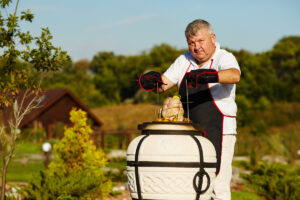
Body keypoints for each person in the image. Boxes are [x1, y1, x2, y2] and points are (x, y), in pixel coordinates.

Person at [139, 19, 241, 200]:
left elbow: (234, 75)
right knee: (192, 184)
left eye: (201, 41)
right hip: (191, 133)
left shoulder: (224, 57)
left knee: (217, 186)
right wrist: (152, 82)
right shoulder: (183, 60)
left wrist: (209, 75)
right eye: (191, 43)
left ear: (212, 38)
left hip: (221, 130)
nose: (196, 47)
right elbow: (163, 85)